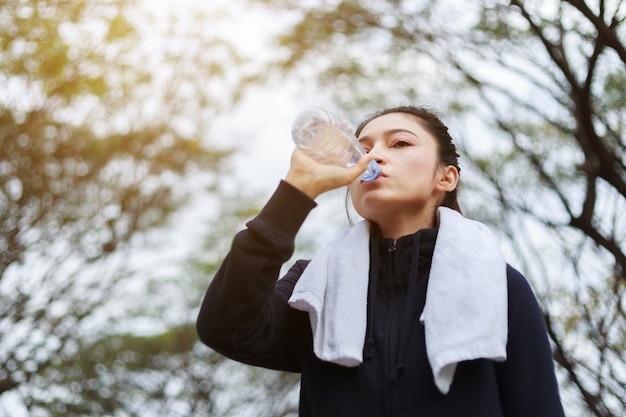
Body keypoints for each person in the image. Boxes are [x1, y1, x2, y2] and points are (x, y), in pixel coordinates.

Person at [196, 105, 565, 417]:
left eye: (400, 143)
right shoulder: (311, 289)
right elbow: (227, 329)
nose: (372, 157)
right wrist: (296, 191)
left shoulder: (497, 285)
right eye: (362, 148)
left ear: (446, 177)